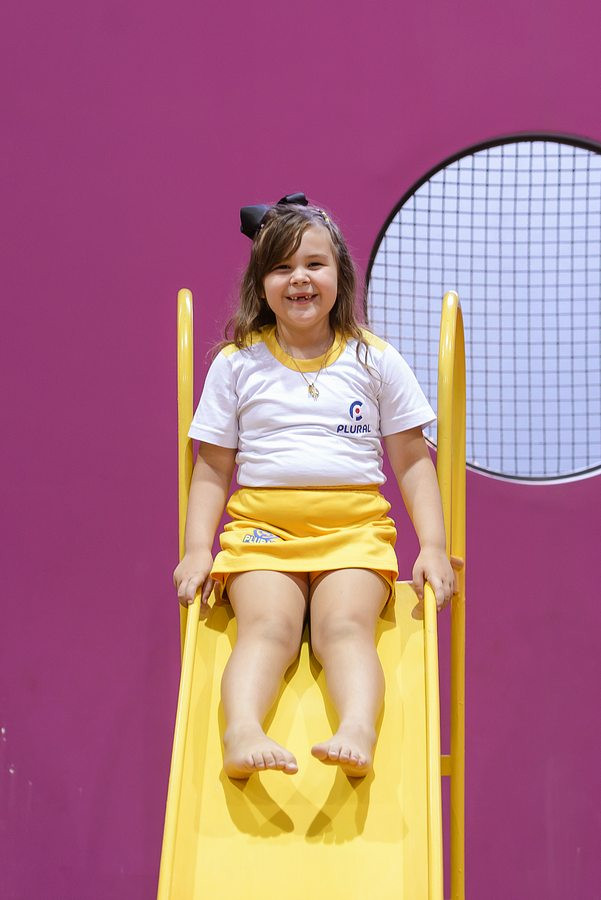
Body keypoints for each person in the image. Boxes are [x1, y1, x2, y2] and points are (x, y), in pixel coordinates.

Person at [173, 193, 455, 780]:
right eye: (281, 267)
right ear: (261, 283)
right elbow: (213, 467)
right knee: (266, 627)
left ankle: (357, 728)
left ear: (340, 275)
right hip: (263, 533)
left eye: (314, 264)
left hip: (353, 531)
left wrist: (432, 545)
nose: (299, 278)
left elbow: (411, 460)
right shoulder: (237, 364)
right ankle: (242, 730)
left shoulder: (373, 360)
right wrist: (198, 549)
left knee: (344, 627)